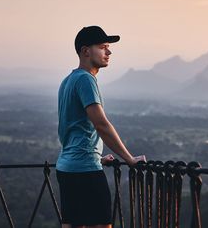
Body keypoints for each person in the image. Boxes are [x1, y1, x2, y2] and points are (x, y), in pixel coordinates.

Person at [56, 25, 146, 228]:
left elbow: (72, 128)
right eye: (103, 47)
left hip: (67, 168)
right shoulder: (86, 80)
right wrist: (129, 159)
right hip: (85, 171)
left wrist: (97, 156)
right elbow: (101, 124)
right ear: (86, 51)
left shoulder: (68, 80)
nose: (109, 51)